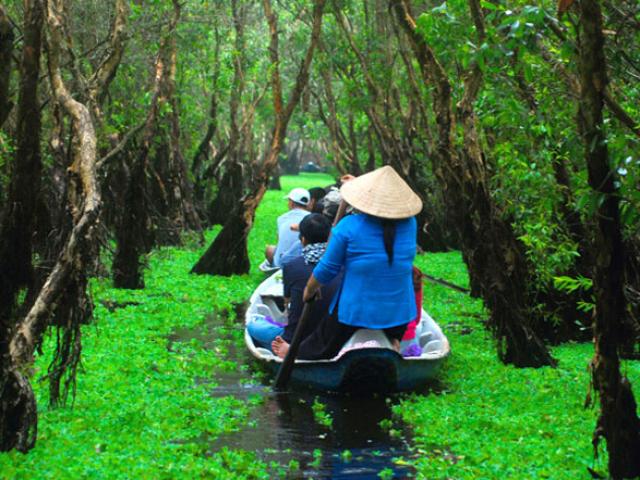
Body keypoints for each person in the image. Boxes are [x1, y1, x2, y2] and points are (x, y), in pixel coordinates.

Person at [272, 166, 422, 360]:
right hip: (400, 314)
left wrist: (310, 289)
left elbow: (327, 268)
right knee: (387, 323)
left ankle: (294, 351)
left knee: (322, 341)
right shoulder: (410, 224)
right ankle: (394, 344)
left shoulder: (348, 227)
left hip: (356, 314)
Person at [248, 214, 342, 350]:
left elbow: (288, 303)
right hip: (332, 339)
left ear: (302, 240)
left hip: (294, 340)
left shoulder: (292, 266)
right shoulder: (343, 265)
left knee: (253, 324)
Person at [265, 188, 311, 268]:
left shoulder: (281, 218)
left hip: (280, 263)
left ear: (292, 203)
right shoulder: (313, 219)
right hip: (303, 262)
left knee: (270, 249)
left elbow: (279, 241)